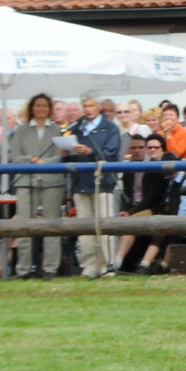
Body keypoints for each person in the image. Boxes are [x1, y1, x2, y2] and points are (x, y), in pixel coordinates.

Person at [6, 93, 70, 279]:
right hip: (25, 181)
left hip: (51, 182)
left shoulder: (57, 130)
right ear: (32, 108)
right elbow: (14, 157)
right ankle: (23, 269)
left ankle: (50, 268)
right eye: (38, 105)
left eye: (45, 105)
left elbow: (61, 154)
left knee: (51, 225)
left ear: (49, 109)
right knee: (24, 225)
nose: (41, 109)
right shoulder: (21, 130)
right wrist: (32, 160)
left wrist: (46, 162)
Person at [67, 93, 125, 277]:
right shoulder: (76, 128)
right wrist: (66, 151)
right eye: (85, 105)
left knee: (105, 225)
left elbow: (111, 152)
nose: (88, 109)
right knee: (85, 228)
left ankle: (106, 265)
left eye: (91, 105)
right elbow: (71, 154)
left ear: (98, 106)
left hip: (103, 183)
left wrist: (90, 151)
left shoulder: (110, 128)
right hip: (81, 183)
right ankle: (89, 266)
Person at [115, 134, 178, 273]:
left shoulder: (154, 167)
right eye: (133, 148)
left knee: (129, 224)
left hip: (150, 208)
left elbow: (152, 197)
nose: (137, 150)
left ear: (145, 149)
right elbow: (125, 194)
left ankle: (117, 262)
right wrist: (125, 210)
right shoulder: (128, 169)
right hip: (133, 207)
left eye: (140, 147)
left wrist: (130, 213)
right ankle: (122, 262)